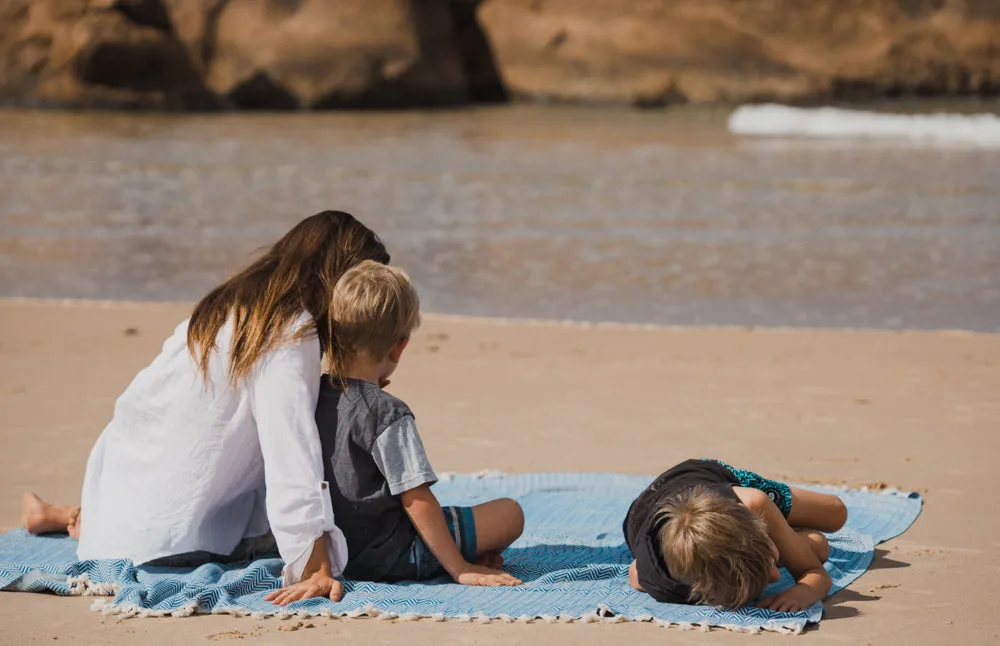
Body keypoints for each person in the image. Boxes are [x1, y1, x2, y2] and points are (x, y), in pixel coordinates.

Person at [21, 211, 391, 606]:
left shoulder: (230, 304)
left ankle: (70, 516)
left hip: (116, 492)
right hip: (165, 542)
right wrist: (316, 567)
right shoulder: (290, 330)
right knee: (355, 529)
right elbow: (292, 458)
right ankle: (74, 518)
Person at [299, 260, 522, 597]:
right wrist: (459, 569)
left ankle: (456, 551)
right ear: (398, 347)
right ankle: (452, 556)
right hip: (396, 554)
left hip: (336, 554)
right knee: (510, 513)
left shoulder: (312, 395)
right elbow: (416, 498)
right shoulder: (386, 412)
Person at [624, 458, 848, 612]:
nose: (777, 577)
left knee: (835, 514)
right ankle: (788, 540)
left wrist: (804, 592)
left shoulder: (753, 503)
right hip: (641, 514)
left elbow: (814, 573)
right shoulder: (668, 582)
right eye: (772, 568)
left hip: (704, 477)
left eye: (770, 563)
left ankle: (783, 534)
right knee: (818, 547)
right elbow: (637, 574)